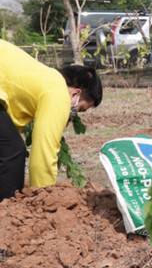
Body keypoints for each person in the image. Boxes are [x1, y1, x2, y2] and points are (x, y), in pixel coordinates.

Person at [0, 41, 102, 200]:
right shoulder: (59, 93)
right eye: (80, 109)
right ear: (75, 93)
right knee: (13, 152)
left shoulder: (45, 79)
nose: (74, 113)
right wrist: (45, 198)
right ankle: (7, 212)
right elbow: (43, 154)